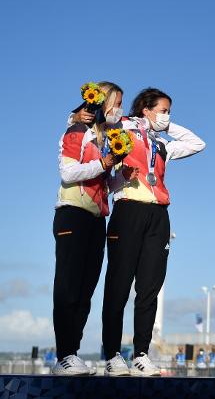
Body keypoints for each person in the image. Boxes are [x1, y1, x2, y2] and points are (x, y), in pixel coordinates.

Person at [100, 88, 206, 376]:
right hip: (128, 209)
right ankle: (112, 354)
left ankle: (141, 354)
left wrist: (165, 125)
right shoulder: (121, 126)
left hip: (159, 215)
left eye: (169, 111)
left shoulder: (162, 144)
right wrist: (135, 121)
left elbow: (197, 143)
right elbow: (100, 121)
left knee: (149, 288)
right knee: (119, 285)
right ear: (145, 109)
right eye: (162, 109)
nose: (167, 115)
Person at [52, 82, 127, 375]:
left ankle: (73, 354)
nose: (118, 109)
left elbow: (101, 181)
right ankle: (64, 356)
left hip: (97, 219)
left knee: (85, 292)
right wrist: (103, 163)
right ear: (102, 103)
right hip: (72, 214)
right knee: (68, 288)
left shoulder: (105, 138)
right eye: (116, 102)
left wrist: (117, 173)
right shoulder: (77, 132)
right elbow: (69, 172)